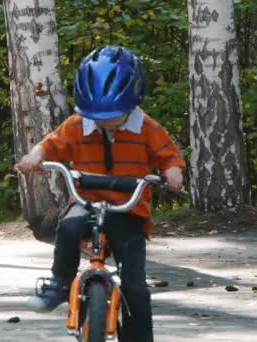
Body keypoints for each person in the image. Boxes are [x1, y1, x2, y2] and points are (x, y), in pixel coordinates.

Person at [15, 45, 185, 342]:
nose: (104, 120)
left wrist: (173, 173)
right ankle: (59, 283)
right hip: (86, 200)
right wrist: (34, 157)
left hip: (128, 208)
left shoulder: (147, 127)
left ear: (132, 103)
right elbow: (50, 145)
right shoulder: (78, 124)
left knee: (134, 284)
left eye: (113, 115)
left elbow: (168, 155)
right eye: (97, 114)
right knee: (68, 227)